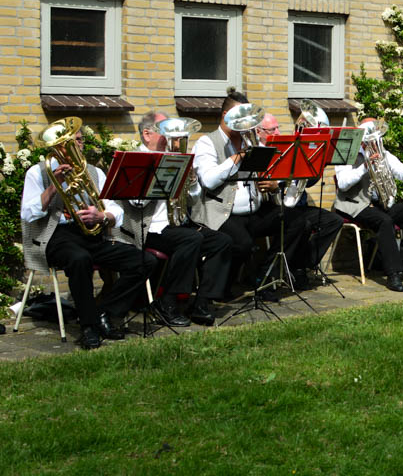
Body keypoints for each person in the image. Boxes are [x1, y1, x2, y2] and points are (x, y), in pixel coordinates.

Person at [21, 123, 152, 349]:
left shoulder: (94, 172)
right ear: (58, 146)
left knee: (144, 261)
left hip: (91, 235)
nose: (79, 145)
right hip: (55, 236)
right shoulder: (37, 172)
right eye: (74, 142)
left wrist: (101, 215)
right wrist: (54, 186)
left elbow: (115, 210)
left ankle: (104, 312)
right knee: (79, 259)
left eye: (80, 140)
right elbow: (28, 213)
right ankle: (88, 327)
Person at [115, 111, 233, 326]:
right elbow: (136, 203)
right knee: (191, 239)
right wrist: (160, 179)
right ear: (147, 134)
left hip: (175, 224)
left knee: (221, 241)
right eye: (165, 131)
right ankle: (167, 303)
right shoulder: (136, 160)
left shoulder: (172, 158)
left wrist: (191, 179)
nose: (173, 138)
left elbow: (194, 197)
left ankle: (202, 302)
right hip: (147, 229)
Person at [192, 89, 308, 301]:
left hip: (254, 211)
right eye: (239, 117)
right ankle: (222, 288)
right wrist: (237, 158)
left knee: (296, 220)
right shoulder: (207, 143)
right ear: (225, 115)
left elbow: (275, 171)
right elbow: (208, 180)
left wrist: (274, 184)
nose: (245, 124)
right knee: (243, 244)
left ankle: (265, 279)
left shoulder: (251, 142)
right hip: (222, 213)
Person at [333, 117, 403, 293]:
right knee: (384, 221)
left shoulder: (381, 151)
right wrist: (365, 166)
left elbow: (399, 169)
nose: (374, 140)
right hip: (353, 204)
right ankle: (393, 274)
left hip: (377, 203)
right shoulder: (347, 152)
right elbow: (343, 183)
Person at [259, 112, 344, 290]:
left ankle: (303, 264)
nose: (276, 132)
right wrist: (280, 182)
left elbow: (310, 182)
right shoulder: (273, 149)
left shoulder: (298, 148)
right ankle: (289, 270)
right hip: (276, 205)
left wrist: (318, 164)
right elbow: (265, 180)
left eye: (277, 128)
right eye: (271, 129)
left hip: (298, 205)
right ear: (259, 131)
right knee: (302, 224)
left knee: (334, 221)